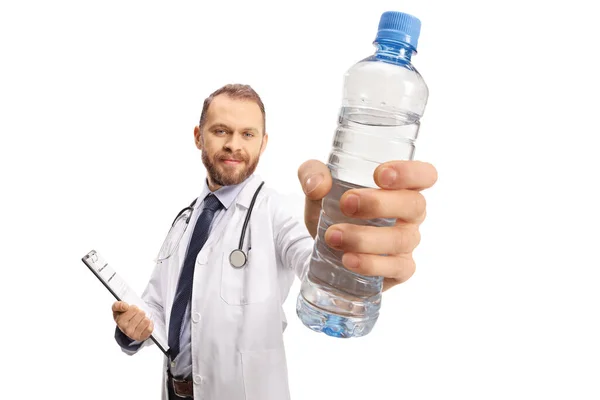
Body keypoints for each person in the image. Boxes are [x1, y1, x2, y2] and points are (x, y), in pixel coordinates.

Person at [111, 83, 437, 400]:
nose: (234, 145)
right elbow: (156, 304)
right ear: (199, 137)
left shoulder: (277, 212)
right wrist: (131, 328)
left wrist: (347, 263)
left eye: (247, 134)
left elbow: (313, 264)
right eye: (221, 131)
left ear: (263, 143)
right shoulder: (184, 221)